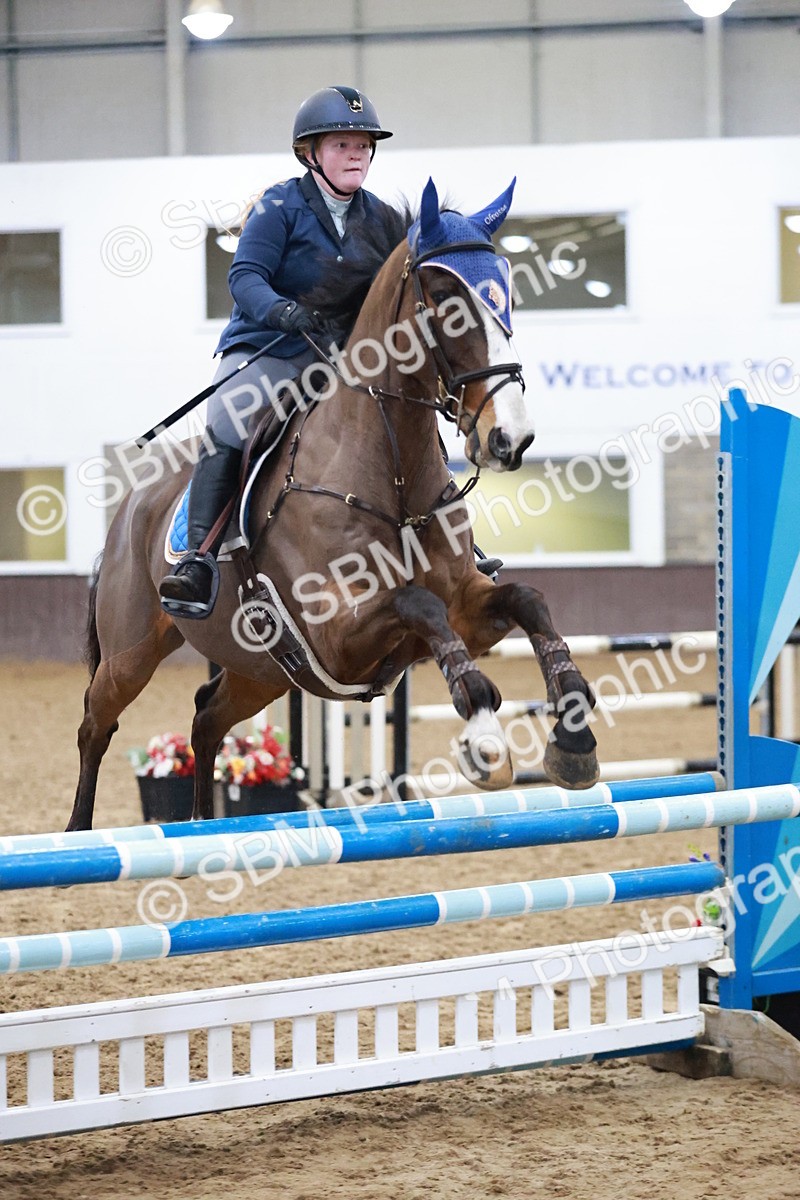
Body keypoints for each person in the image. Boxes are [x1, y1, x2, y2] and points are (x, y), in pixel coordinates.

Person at [158, 84, 395, 619]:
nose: (356, 154)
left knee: (402, 416)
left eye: (363, 145)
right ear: (310, 153)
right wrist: (283, 311)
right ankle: (198, 560)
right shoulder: (279, 205)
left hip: (339, 360)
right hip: (271, 349)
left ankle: (449, 542)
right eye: (342, 144)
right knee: (230, 422)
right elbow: (244, 277)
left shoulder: (380, 219)